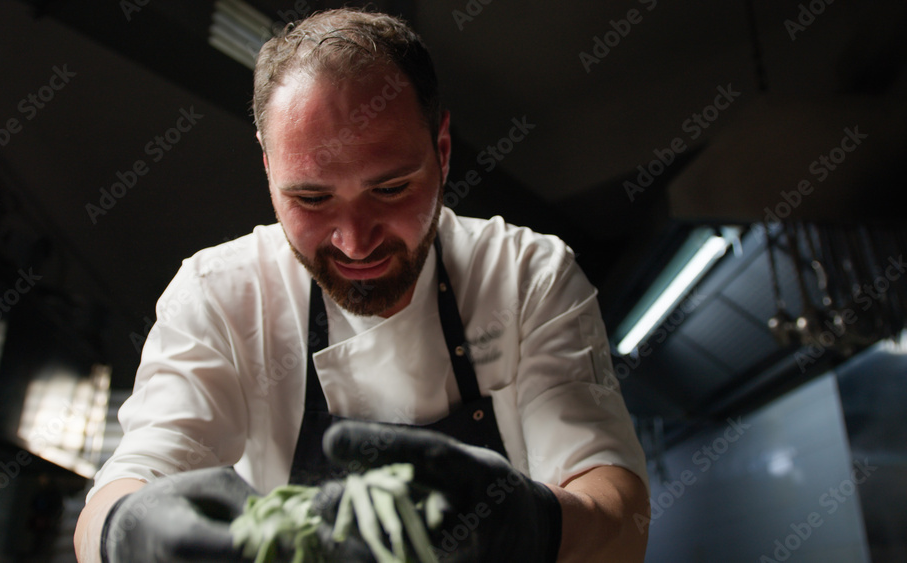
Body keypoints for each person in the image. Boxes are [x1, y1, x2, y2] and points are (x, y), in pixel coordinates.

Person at [74, 8, 649, 562]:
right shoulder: (219, 294)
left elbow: (622, 520)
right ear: (270, 171)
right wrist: (125, 533)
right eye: (311, 198)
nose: (354, 242)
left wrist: (533, 526)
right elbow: (132, 478)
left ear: (442, 152)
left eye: (391, 189)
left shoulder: (526, 274)